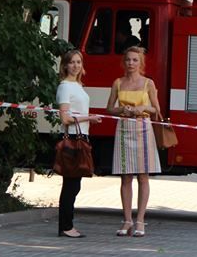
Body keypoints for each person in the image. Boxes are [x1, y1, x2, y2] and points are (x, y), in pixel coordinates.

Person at [106, 46, 162, 238]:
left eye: (135, 60)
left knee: (143, 176)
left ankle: (140, 220)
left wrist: (143, 107)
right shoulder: (118, 83)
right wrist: (122, 111)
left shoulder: (148, 83)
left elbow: (156, 109)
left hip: (143, 128)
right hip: (124, 128)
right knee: (125, 177)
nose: (131, 63)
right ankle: (127, 220)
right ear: (124, 62)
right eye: (128, 60)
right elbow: (109, 108)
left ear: (141, 62)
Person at [56, 49, 103, 238]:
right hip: (73, 139)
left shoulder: (77, 85)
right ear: (65, 65)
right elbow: (65, 118)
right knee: (71, 184)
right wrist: (88, 119)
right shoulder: (65, 86)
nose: (76, 66)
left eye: (78, 62)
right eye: (72, 62)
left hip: (81, 137)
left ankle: (67, 225)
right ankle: (66, 226)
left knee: (74, 184)